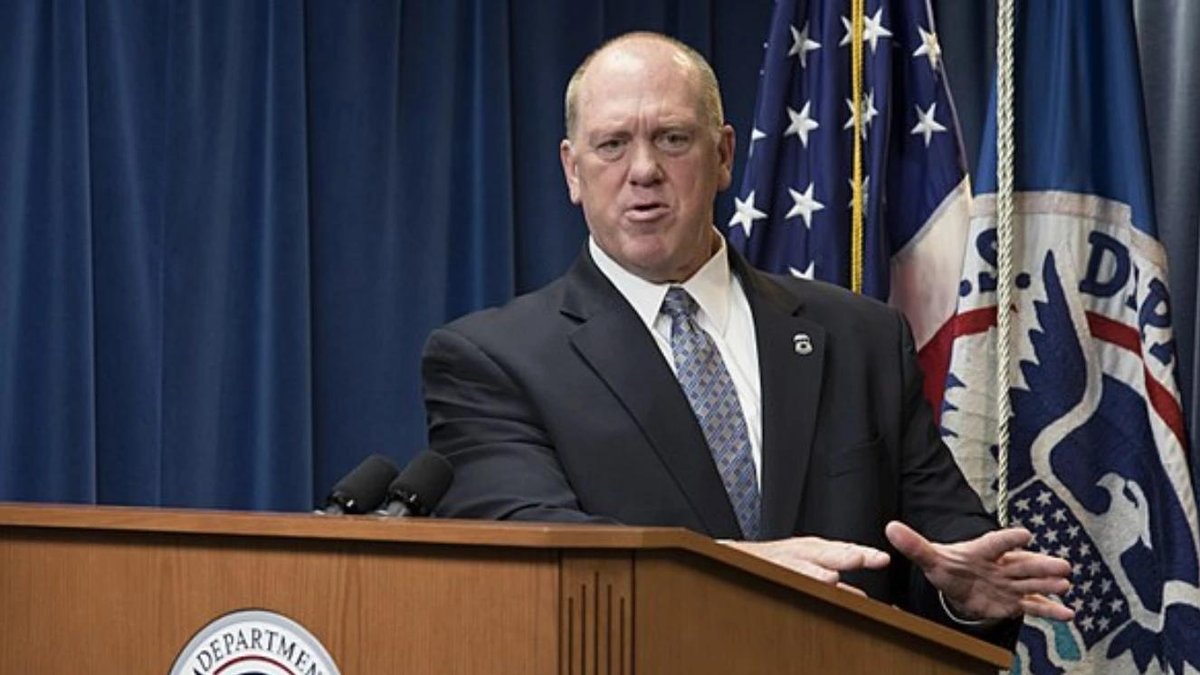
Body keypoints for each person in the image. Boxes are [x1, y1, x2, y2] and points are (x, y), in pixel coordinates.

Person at [421, 31, 1072, 642]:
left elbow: (938, 541)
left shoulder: (860, 336)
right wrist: (740, 567)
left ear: (724, 154)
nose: (643, 169)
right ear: (572, 169)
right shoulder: (491, 360)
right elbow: (532, 550)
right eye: (612, 144)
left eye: (673, 138)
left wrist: (968, 594)